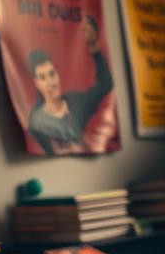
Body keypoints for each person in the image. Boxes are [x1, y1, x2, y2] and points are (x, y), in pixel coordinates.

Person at [26, 15, 114, 155]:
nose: (50, 82)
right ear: (37, 84)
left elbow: (105, 84)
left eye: (52, 74)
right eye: (43, 78)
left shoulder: (77, 101)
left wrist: (93, 48)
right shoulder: (37, 120)